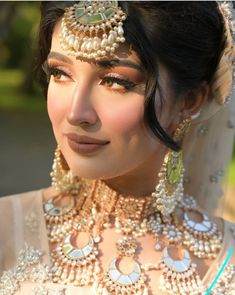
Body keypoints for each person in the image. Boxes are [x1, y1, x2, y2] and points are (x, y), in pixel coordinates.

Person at [0, 1, 235, 294]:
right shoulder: (6, 227)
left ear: (189, 101)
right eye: (60, 73)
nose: (76, 112)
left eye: (115, 81)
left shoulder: (225, 261)